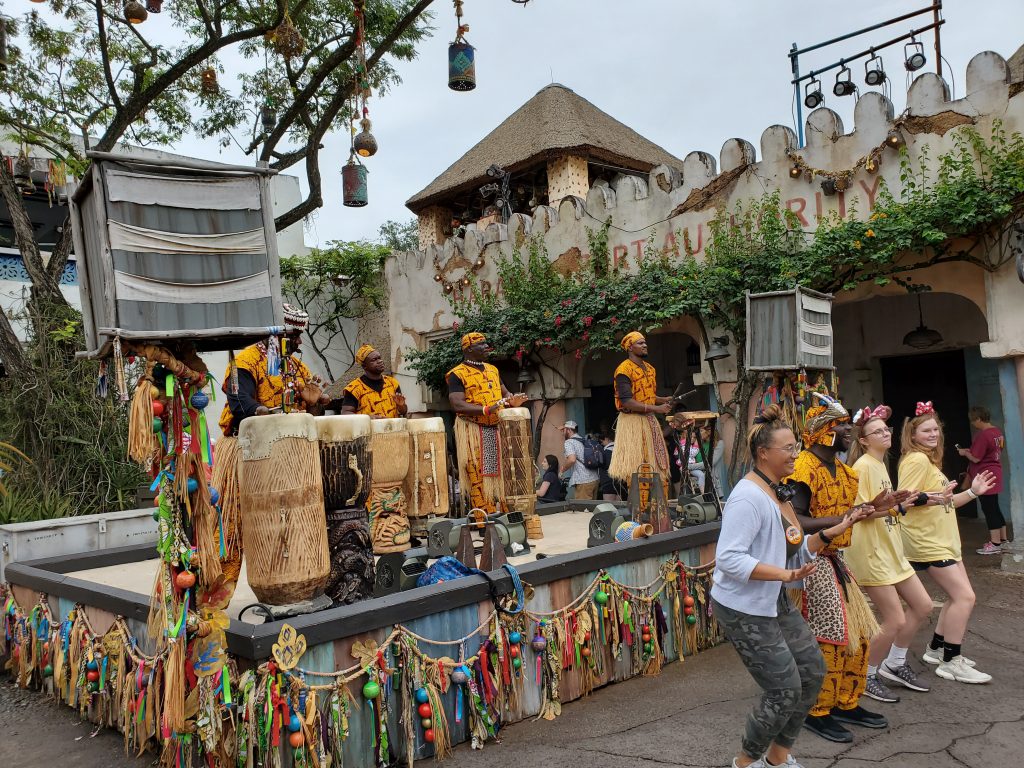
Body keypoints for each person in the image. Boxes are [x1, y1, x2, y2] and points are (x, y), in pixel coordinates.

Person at [713, 404, 870, 768]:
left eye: (796, 447)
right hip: (744, 608)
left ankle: (778, 759)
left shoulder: (778, 492)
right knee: (783, 689)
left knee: (812, 673)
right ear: (763, 453)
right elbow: (729, 559)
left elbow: (796, 548)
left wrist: (834, 529)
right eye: (788, 448)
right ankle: (745, 763)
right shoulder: (747, 497)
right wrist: (784, 576)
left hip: (774, 600)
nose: (795, 454)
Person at [786, 393, 902, 744]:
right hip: (814, 561)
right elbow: (797, 521)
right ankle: (816, 710)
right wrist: (848, 516)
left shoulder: (845, 472)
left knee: (860, 636)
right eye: (840, 426)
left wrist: (874, 507)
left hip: (837, 561)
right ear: (822, 431)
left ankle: (846, 701)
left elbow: (852, 515)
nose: (848, 431)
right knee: (830, 636)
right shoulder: (803, 467)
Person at [898, 401, 996, 684]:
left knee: (958, 597)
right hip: (928, 542)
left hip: (941, 540)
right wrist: (936, 497)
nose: (933, 434)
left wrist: (973, 493)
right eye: (926, 430)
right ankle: (951, 661)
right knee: (965, 597)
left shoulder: (927, 460)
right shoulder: (916, 460)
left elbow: (944, 502)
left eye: (936, 430)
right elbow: (908, 500)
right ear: (913, 435)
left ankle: (936, 649)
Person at [844, 405, 933, 704]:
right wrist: (893, 506)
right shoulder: (863, 467)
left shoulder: (880, 464)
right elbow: (860, 512)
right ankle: (866, 675)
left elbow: (885, 507)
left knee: (923, 605)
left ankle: (894, 662)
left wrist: (908, 501)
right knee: (893, 619)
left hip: (891, 549)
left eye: (887, 429)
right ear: (864, 439)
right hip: (871, 552)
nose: (885, 434)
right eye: (878, 431)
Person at [217, 304, 330, 436]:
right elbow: (239, 402)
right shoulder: (245, 362)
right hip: (254, 443)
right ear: (275, 334)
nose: (299, 341)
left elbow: (312, 419)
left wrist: (313, 404)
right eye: (294, 336)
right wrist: (263, 412)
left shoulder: (300, 368)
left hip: (295, 443)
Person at [446, 332, 527, 514]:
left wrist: (512, 400)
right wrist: (485, 409)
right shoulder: (456, 374)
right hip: (473, 428)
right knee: (477, 473)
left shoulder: (492, 369)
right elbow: (456, 403)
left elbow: (504, 393)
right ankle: (484, 520)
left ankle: (506, 516)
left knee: (499, 473)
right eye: (481, 344)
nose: (486, 347)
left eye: (485, 343)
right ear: (468, 349)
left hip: (494, 427)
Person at [608, 331, 674, 498]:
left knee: (659, 466)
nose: (645, 345)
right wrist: (657, 409)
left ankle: (659, 512)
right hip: (632, 423)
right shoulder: (623, 369)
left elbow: (647, 395)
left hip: (650, 422)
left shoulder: (650, 369)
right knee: (639, 469)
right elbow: (627, 401)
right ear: (630, 347)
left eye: (645, 342)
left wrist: (662, 399)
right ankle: (640, 513)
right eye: (640, 343)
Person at [957, 405, 1007, 554]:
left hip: (985, 475)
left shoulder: (983, 435)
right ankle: (1003, 540)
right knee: (995, 507)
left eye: (973, 421)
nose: (973, 424)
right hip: (995, 471)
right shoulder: (997, 432)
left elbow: (976, 458)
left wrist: (964, 453)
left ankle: (995, 544)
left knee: (989, 509)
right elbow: (995, 450)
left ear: (979, 419)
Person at [339, 344, 407, 419]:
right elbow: (345, 413)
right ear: (365, 366)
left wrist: (401, 405)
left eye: (379, 358)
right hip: (367, 430)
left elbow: (403, 411)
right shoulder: (354, 389)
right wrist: (368, 418)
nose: (380, 361)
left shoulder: (392, 383)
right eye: (374, 360)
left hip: (393, 429)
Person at [558, 421, 599, 500]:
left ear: (569, 430)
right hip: (594, 479)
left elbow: (572, 460)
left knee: (582, 510)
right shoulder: (583, 440)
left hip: (583, 481)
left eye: (564, 430)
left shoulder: (569, 442)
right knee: (591, 510)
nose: (562, 433)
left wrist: (562, 470)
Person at [598, 434, 621, 501]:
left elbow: (606, 466)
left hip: (608, 483)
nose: (601, 444)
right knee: (619, 507)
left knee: (609, 507)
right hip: (620, 483)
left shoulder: (606, 452)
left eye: (601, 442)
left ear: (606, 438)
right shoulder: (620, 450)